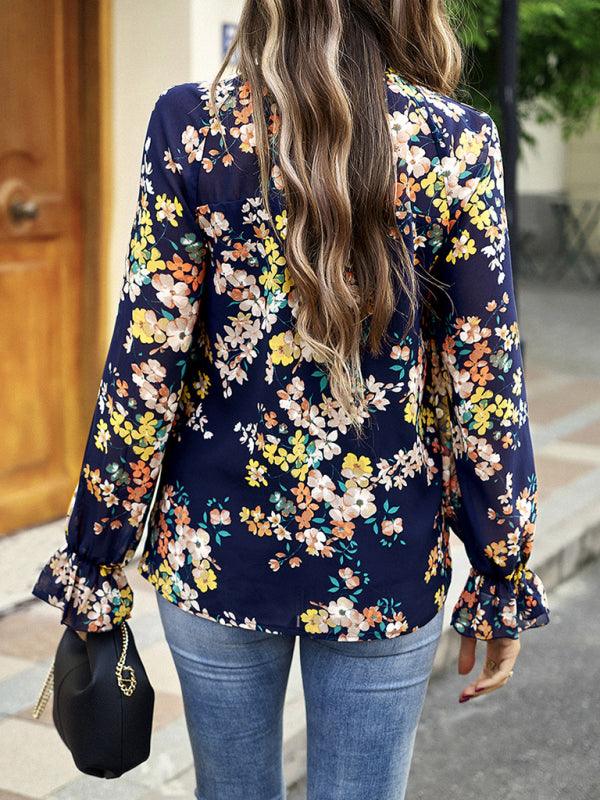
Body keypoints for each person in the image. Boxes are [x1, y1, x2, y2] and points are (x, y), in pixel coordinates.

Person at [31, 1, 551, 797]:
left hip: (214, 548)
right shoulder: (455, 141)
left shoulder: (193, 126)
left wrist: (96, 558)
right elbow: (484, 383)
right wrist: (501, 569)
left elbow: (145, 368)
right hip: (384, 559)